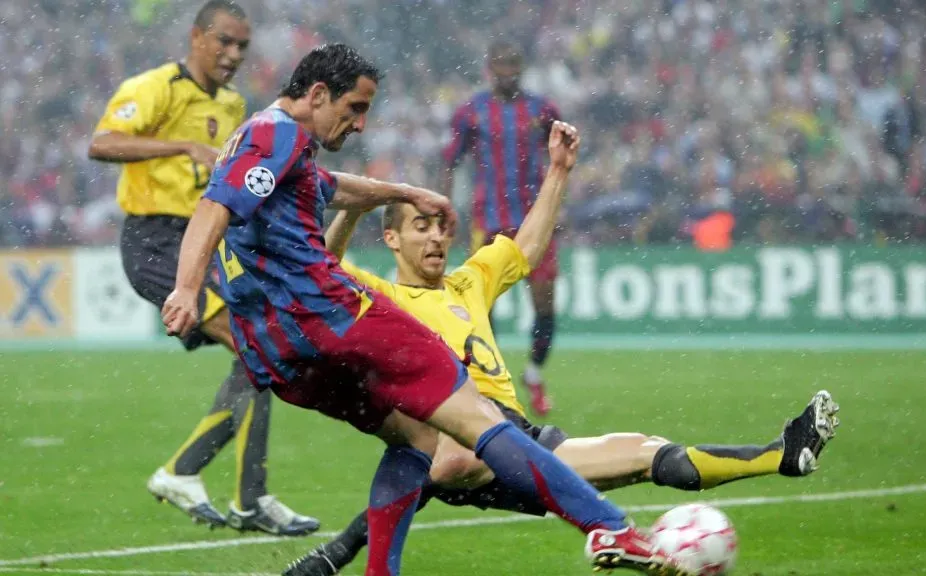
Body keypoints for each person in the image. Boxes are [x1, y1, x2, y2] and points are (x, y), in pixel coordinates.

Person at [161, 42, 682, 576]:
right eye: (354, 108)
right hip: (334, 317)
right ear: (317, 94)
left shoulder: (269, 144)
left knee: (416, 440)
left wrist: (406, 191)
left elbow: (331, 188)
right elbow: (214, 207)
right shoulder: (277, 133)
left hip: (277, 354)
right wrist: (185, 287)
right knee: (476, 417)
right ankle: (610, 529)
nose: (360, 125)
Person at [281, 120, 841, 576]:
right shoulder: (381, 295)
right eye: (420, 227)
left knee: (645, 451)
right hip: (462, 435)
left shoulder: (468, 281)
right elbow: (326, 269)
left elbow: (525, 245)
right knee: (452, 459)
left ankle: (780, 456)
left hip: (517, 438)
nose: (435, 237)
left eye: (439, 227)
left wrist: (558, 171)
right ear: (393, 239)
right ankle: (347, 551)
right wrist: (354, 206)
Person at [88, 0, 318, 535]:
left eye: (242, 45)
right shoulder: (157, 87)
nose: (233, 54)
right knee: (253, 348)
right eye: (224, 42)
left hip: (204, 240)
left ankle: (226, 488)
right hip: (154, 242)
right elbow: (101, 143)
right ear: (196, 37)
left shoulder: (236, 105)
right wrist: (182, 146)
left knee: (262, 349)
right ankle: (214, 484)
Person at [442, 39, 560, 416]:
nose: (508, 72)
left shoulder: (542, 111)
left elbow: (561, 157)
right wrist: (443, 210)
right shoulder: (471, 113)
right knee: (481, 306)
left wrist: (560, 202)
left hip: (534, 222)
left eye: (513, 64)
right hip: (488, 222)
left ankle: (535, 374)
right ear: (490, 67)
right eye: (501, 64)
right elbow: (451, 161)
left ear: (521, 67)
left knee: (544, 304)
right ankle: (488, 382)